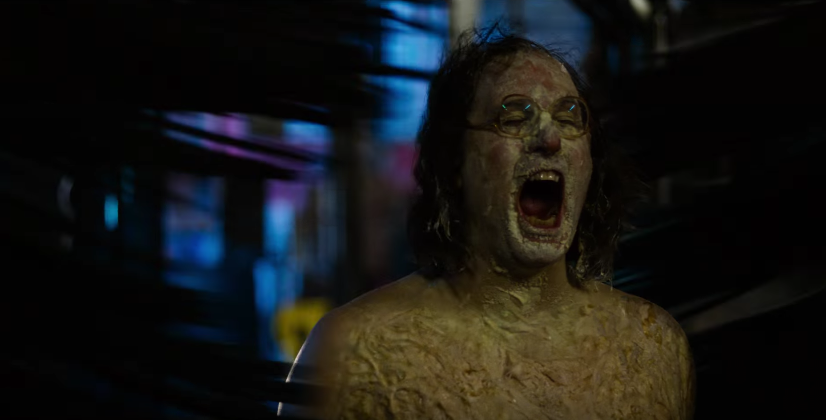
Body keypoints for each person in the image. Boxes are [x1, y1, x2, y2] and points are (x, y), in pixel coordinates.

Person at [282, 26, 695, 420]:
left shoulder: (653, 348)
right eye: (513, 118)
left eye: (570, 118)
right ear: (455, 162)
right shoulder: (350, 354)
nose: (550, 138)